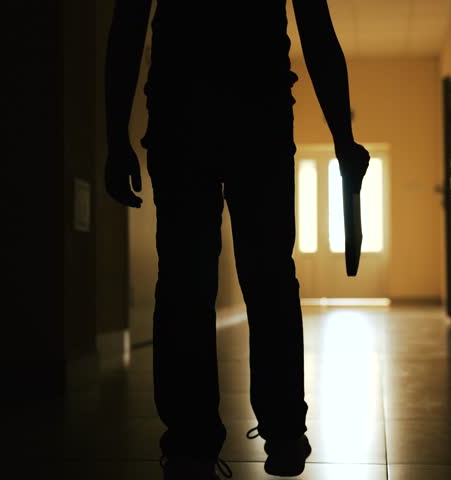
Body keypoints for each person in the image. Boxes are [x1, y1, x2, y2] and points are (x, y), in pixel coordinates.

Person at [104, 0, 369, 478]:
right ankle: (284, 433)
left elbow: (128, 22)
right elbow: (316, 31)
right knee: (269, 276)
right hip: (258, 113)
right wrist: (342, 138)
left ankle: (190, 447)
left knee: (186, 280)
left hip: (180, 110)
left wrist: (114, 135)